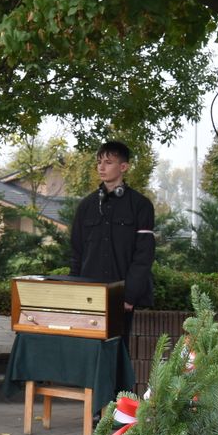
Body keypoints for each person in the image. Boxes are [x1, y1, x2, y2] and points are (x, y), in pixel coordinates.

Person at [70, 140, 155, 337]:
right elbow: (76, 252)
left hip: (121, 295)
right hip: (88, 295)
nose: (101, 167)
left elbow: (144, 256)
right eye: (99, 161)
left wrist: (130, 296)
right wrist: (74, 291)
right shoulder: (86, 205)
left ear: (123, 167)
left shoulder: (141, 205)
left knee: (116, 350)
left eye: (108, 162)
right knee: (89, 351)